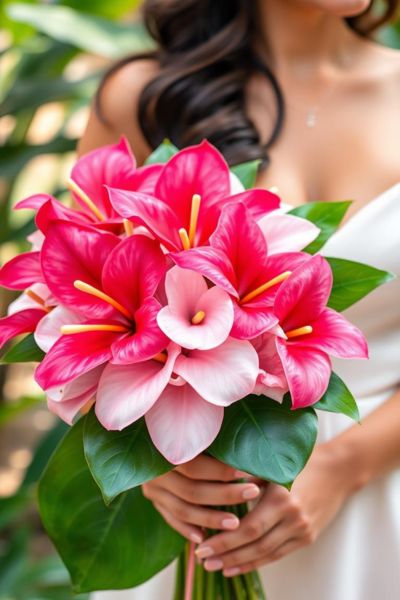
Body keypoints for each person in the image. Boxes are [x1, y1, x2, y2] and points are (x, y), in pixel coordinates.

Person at [83, 1, 400, 598]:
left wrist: (343, 466)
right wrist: (153, 467)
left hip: (380, 507)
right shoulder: (143, 96)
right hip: (195, 516)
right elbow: (84, 320)